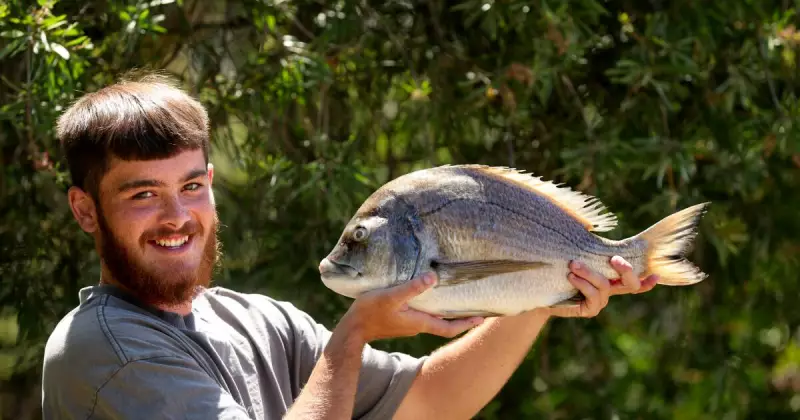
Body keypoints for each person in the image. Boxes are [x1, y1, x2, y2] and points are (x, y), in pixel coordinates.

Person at [41, 73, 659, 420]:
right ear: (85, 209)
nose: (178, 217)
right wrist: (353, 333)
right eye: (143, 194)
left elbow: (434, 402)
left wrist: (543, 294)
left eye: (193, 185)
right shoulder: (104, 350)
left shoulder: (256, 321)